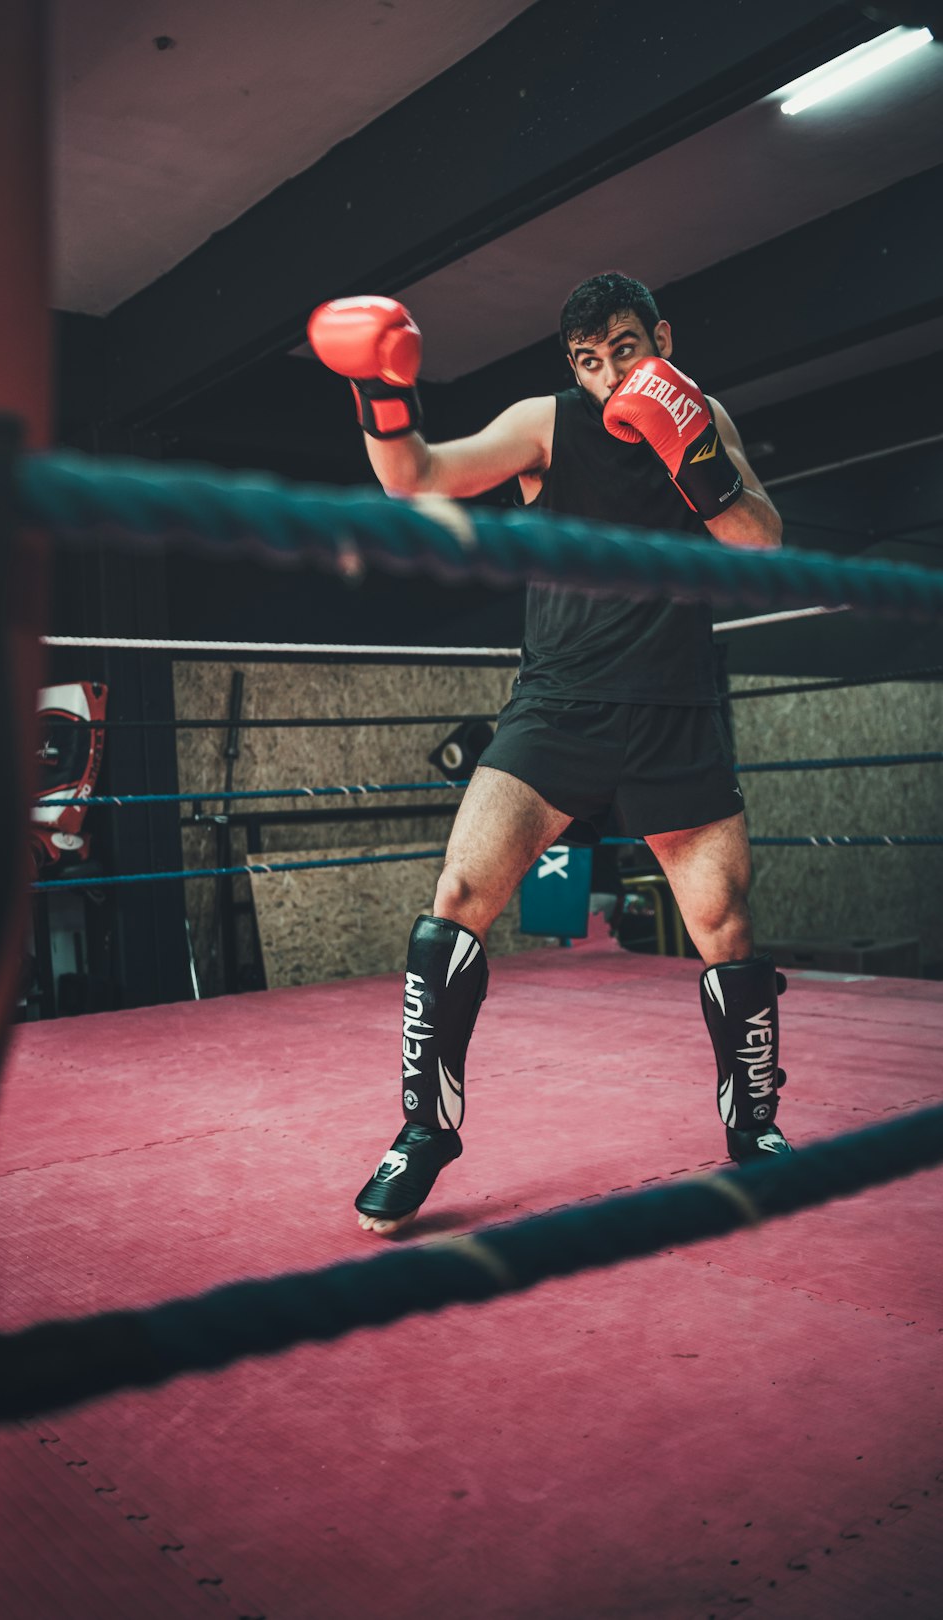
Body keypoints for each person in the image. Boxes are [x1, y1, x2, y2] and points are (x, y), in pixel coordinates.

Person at [307, 270, 791, 1238]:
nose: (609, 372)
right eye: (588, 358)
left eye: (624, 348)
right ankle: (422, 1132)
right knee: (455, 901)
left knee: (724, 931)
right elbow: (415, 477)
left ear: (659, 335)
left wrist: (693, 455)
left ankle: (756, 1126)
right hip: (555, 712)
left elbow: (763, 544)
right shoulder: (546, 423)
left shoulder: (701, 410)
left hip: (673, 713)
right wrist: (381, 393)